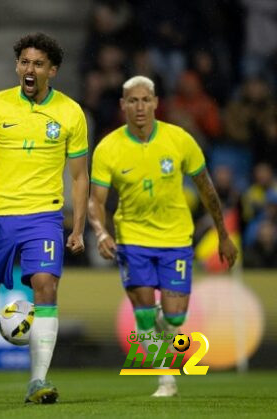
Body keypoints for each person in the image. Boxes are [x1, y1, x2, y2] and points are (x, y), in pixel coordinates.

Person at [0, 33, 89, 404]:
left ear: (52, 71)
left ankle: (38, 381)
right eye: (25, 62)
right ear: (16, 66)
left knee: (46, 286)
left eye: (38, 64)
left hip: (43, 216)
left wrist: (78, 228)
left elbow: (78, 177)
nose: (30, 69)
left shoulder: (70, 113)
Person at [87, 75, 238, 397]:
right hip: (133, 240)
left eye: (145, 100)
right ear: (122, 106)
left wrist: (223, 235)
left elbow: (208, 190)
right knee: (143, 314)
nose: (139, 107)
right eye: (132, 101)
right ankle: (165, 380)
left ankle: (166, 323)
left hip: (175, 241)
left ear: (156, 103)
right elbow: (95, 201)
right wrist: (101, 233)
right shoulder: (108, 147)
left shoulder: (179, 140)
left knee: (174, 319)